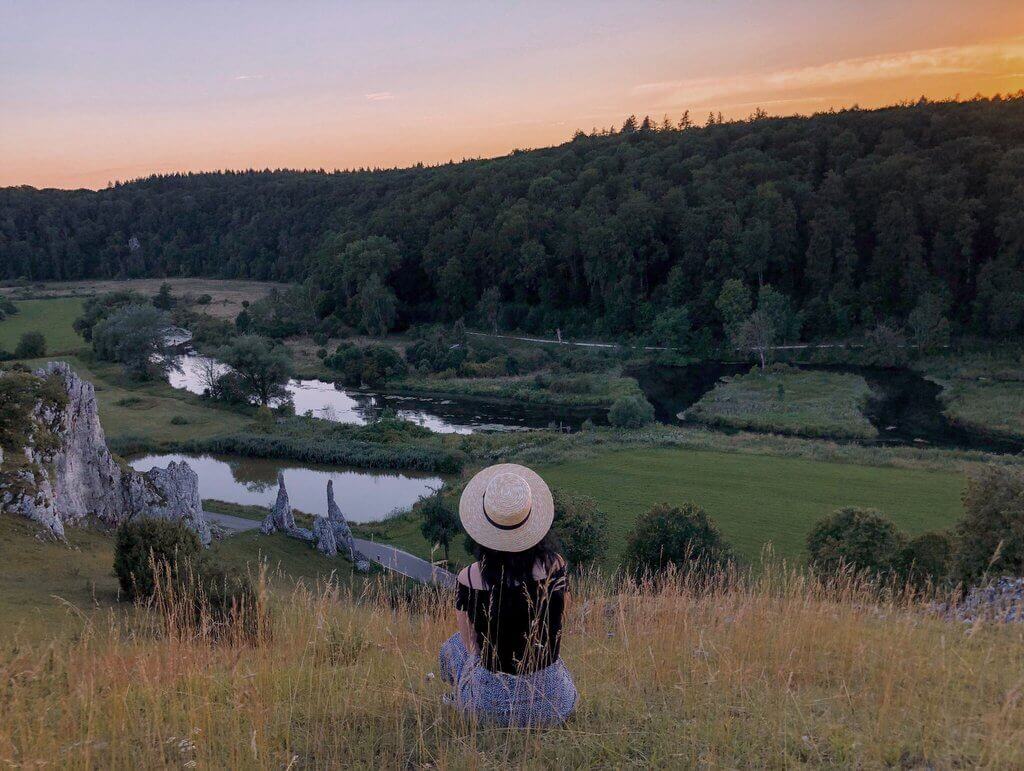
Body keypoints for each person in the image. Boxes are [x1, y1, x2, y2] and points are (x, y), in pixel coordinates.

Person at [438, 463, 577, 726]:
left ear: (484, 527)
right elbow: (560, 622)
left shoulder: (469, 578)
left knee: (452, 647)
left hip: (488, 710)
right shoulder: (556, 567)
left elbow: (471, 647)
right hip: (555, 704)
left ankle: (461, 698)